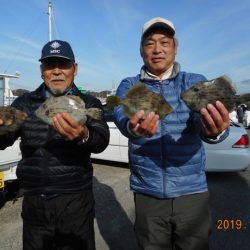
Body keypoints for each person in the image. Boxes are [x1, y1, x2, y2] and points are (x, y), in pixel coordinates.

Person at [113, 17, 230, 250]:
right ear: (141, 51)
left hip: (192, 192)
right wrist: (132, 128)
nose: (157, 49)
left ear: (175, 49)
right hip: (148, 193)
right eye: (150, 43)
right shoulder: (129, 84)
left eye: (165, 42)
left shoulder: (193, 81)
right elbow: (120, 113)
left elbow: (205, 121)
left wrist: (215, 131)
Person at [0, 40, 110, 250]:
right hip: (34, 203)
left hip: (76, 201)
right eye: (50, 65)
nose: (57, 71)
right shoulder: (24, 102)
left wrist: (84, 135)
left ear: (74, 69)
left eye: (64, 64)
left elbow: (101, 140)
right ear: (42, 70)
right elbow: (4, 140)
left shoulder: (88, 102)